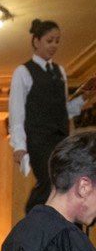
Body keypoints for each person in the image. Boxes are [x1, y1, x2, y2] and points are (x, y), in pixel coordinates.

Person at [9, 19, 96, 212]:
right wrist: (19, 145)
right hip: (38, 138)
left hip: (60, 138)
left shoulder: (60, 72)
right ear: (36, 41)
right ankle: (33, 212)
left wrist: (84, 98)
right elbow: (16, 111)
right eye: (50, 40)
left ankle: (52, 219)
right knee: (50, 178)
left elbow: (62, 109)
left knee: (65, 180)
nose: (54, 45)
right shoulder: (23, 72)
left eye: (57, 41)